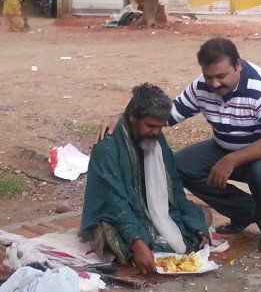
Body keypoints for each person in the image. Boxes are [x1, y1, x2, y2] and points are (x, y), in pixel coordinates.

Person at [170, 38, 261, 253]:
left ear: (238, 66)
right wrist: (124, 118)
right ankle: (246, 212)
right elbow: (168, 113)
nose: (214, 84)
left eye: (221, 76)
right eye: (209, 76)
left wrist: (230, 160)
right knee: (179, 165)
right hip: (229, 147)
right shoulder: (201, 87)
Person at [82, 84, 209, 274]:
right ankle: (143, 242)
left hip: (151, 213)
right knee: (109, 234)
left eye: (160, 126)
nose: (157, 132)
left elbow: (175, 190)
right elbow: (114, 202)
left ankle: (152, 238)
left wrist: (197, 227)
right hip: (116, 215)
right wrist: (137, 242)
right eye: (150, 126)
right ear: (133, 118)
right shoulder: (107, 146)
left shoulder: (156, 139)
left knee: (203, 216)